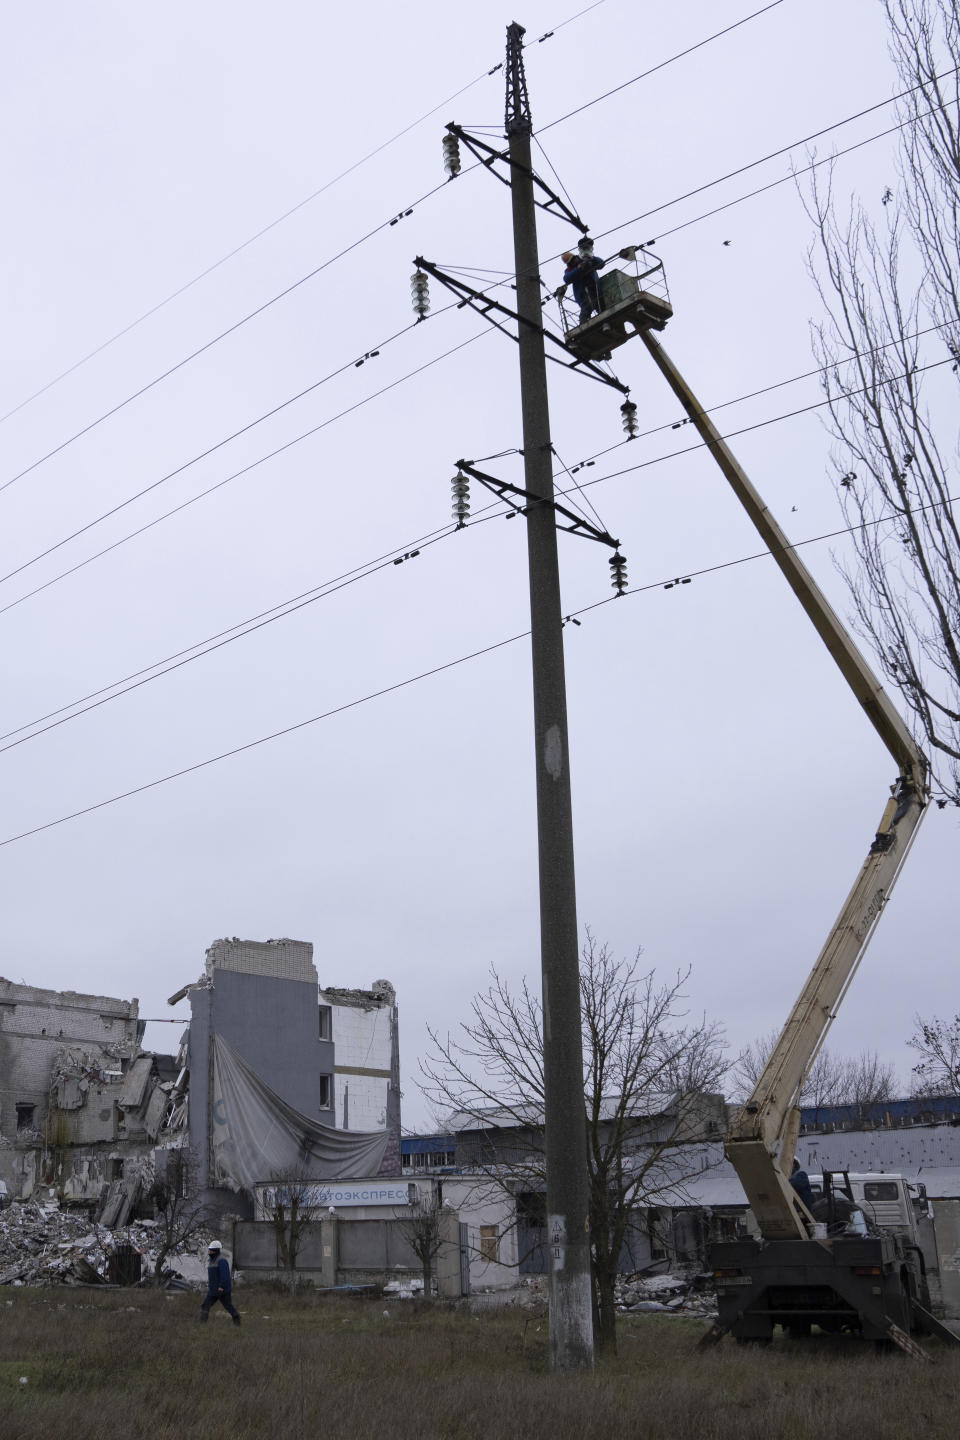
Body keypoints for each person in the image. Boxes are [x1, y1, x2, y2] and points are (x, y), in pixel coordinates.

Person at [200, 1239, 241, 1326]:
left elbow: (225, 1275)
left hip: (222, 1290)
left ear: (216, 1251)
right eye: (209, 1250)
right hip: (213, 1290)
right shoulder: (211, 1261)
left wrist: (221, 1286)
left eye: (211, 1250)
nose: (210, 1252)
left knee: (228, 1306)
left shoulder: (222, 1261)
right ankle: (202, 1325)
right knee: (205, 1305)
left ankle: (237, 1320)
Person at [561, 249, 606, 324]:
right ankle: (583, 324)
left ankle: (605, 323)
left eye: (573, 259)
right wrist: (578, 269)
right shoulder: (570, 270)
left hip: (596, 290)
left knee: (602, 307)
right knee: (586, 308)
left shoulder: (586, 262)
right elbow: (567, 278)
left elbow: (601, 264)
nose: (574, 261)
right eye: (571, 261)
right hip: (584, 294)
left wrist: (592, 258)